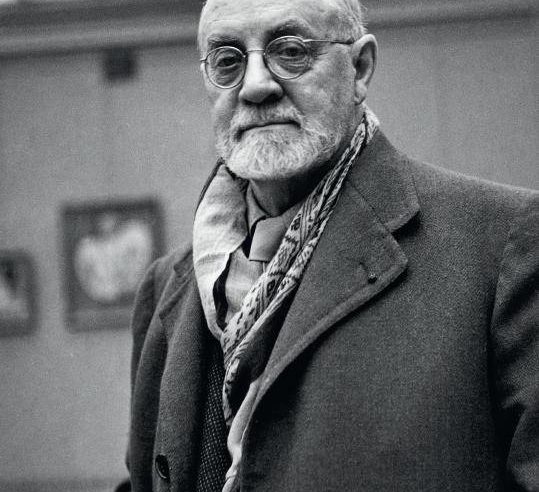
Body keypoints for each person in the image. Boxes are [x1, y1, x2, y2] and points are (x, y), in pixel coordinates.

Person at [126, 0, 539, 490]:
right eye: (228, 61)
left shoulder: (501, 244)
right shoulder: (168, 287)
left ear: (360, 68)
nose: (255, 86)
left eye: (290, 51)